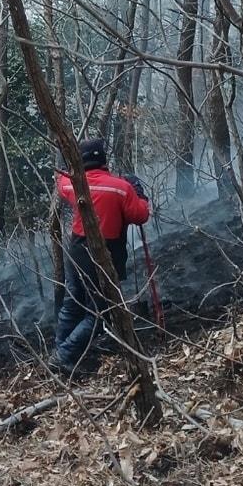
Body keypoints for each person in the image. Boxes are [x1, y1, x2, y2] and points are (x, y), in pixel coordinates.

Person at [50, 137, 151, 378]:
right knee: (100, 314)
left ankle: (60, 353)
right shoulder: (120, 188)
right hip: (104, 256)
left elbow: (61, 182)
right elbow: (140, 215)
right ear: (103, 159)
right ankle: (63, 356)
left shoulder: (72, 184)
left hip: (76, 252)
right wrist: (138, 192)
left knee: (72, 304)